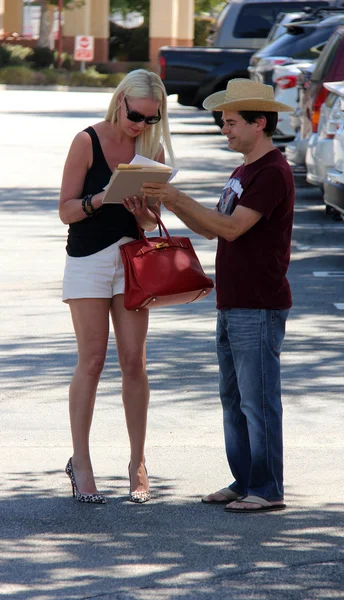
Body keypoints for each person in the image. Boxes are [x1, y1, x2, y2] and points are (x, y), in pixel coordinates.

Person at [142, 79, 294, 513]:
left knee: (257, 399)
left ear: (258, 123)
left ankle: (266, 489)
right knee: (234, 399)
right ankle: (244, 480)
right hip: (234, 302)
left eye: (230, 123)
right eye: (222, 122)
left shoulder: (270, 172)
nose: (223, 130)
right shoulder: (244, 170)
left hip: (259, 303)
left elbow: (230, 228)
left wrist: (174, 194)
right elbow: (213, 228)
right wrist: (167, 199)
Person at [59, 69, 175, 504]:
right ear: (120, 99)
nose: (140, 125)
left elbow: (150, 221)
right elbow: (66, 210)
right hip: (88, 261)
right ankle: (82, 463)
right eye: (136, 115)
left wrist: (141, 209)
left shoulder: (151, 148)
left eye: (150, 118)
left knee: (134, 362)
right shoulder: (86, 140)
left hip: (132, 260)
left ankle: (137, 462)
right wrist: (102, 198)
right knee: (91, 361)